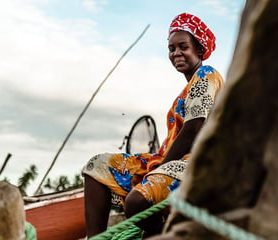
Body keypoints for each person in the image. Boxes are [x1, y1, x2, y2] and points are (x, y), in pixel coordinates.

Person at [82, 12, 224, 238]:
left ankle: (163, 235)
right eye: (171, 48)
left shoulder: (207, 75)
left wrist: (157, 171)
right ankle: (96, 239)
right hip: (168, 161)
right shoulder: (185, 90)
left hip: (194, 163)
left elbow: (193, 129)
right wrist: (158, 167)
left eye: (183, 47)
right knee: (96, 166)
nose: (176, 52)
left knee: (136, 202)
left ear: (199, 49)